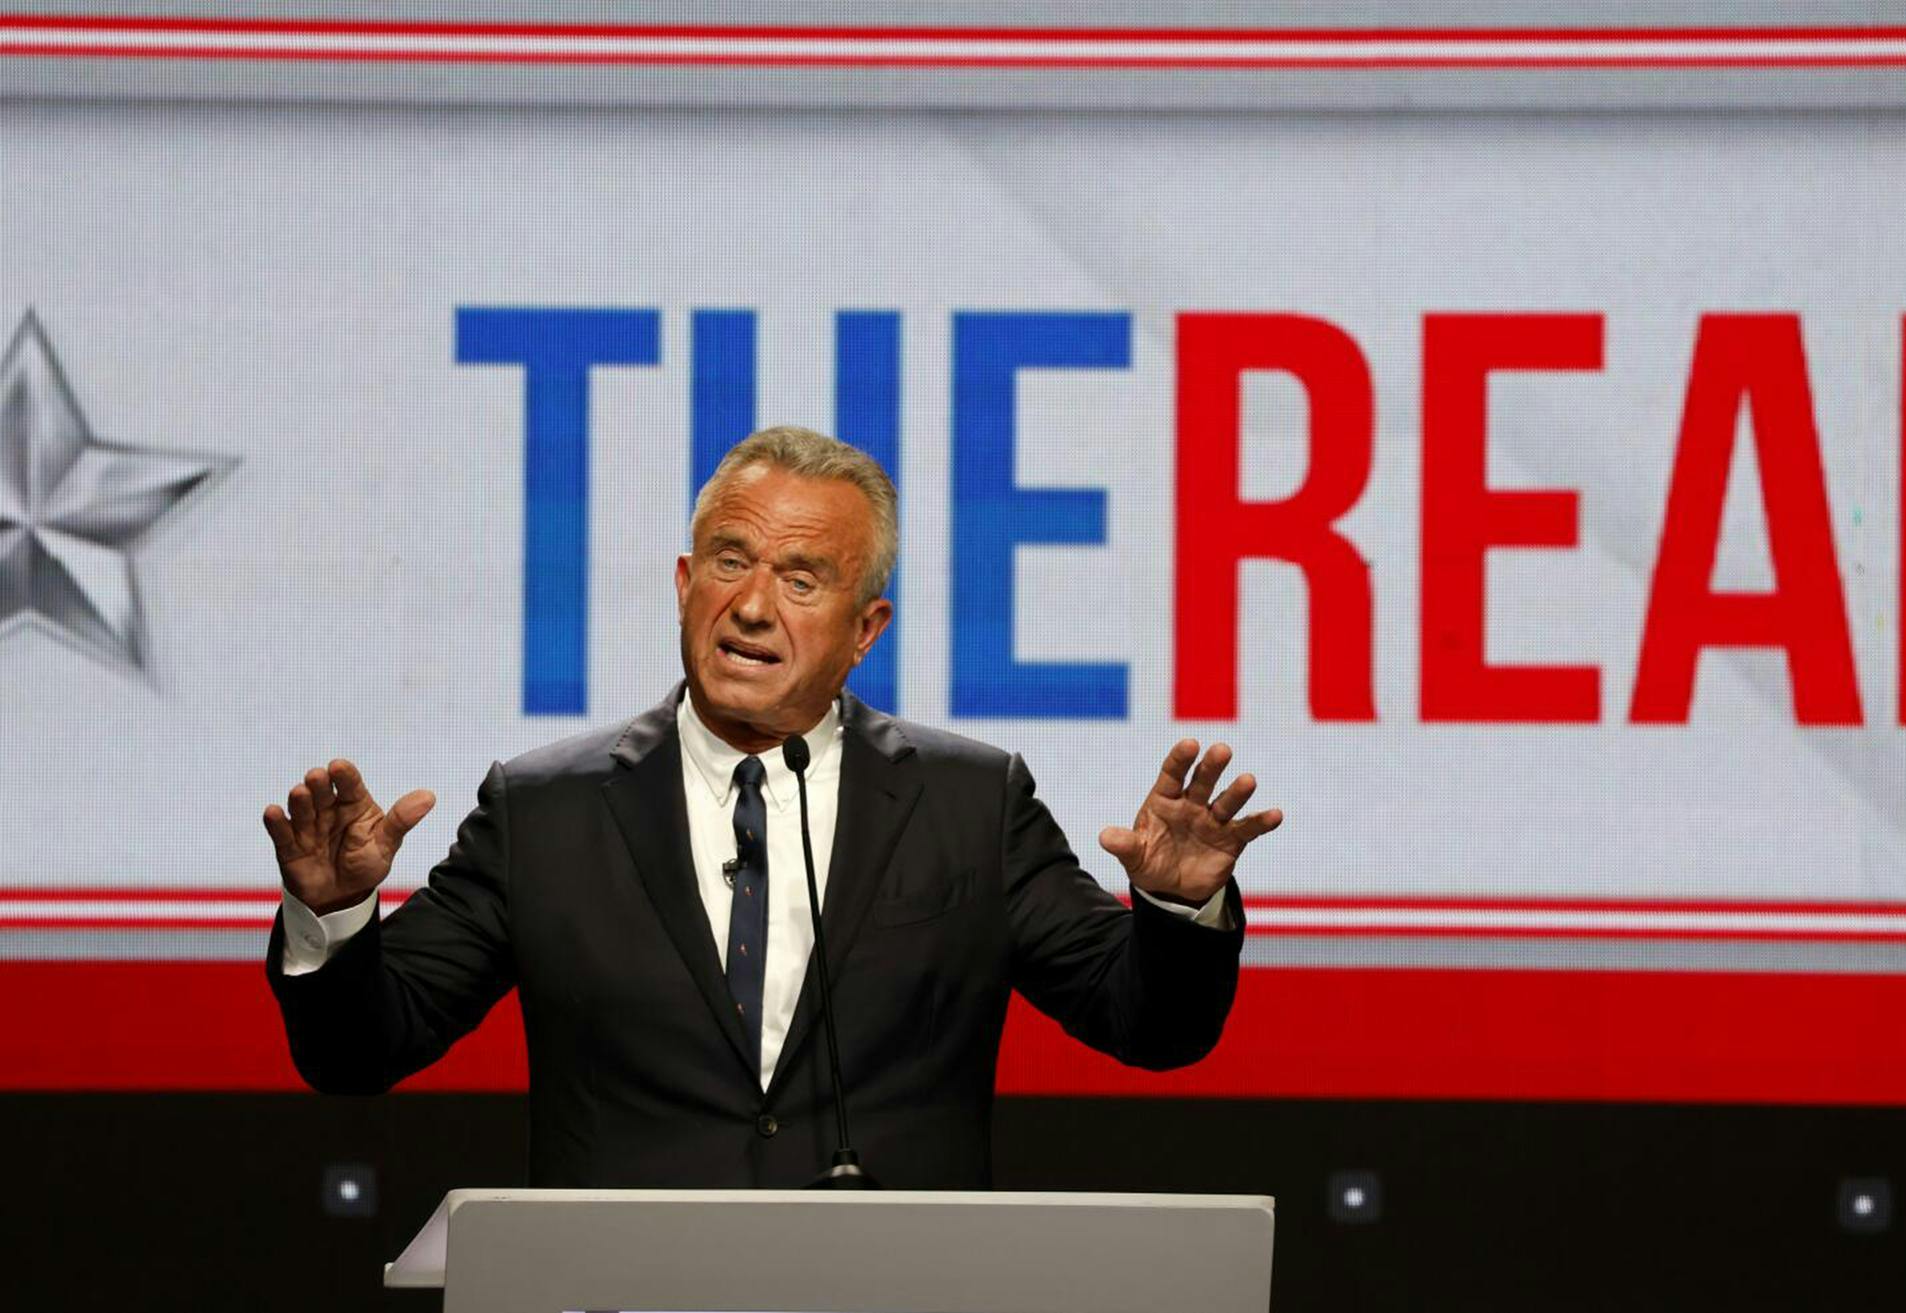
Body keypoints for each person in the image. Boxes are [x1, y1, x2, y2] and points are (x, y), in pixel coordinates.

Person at [263, 425, 1283, 1189]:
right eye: (728, 560)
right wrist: (340, 917)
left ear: (864, 627)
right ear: (681, 581)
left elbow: (1149, 1027)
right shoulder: (544, 811)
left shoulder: (971, 801)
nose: (751, 605)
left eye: (801, 577)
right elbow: (361, 1052)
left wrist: (1176, 909)